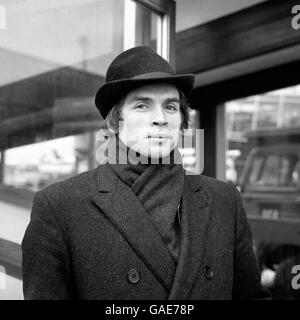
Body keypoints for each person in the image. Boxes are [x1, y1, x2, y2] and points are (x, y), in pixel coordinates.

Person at [22, 46, 269, 300]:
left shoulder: (224, 200)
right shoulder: (59, 206)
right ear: (113, 121)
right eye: (142, 106)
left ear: (181, 120)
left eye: (170, 107)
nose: (160, 118)